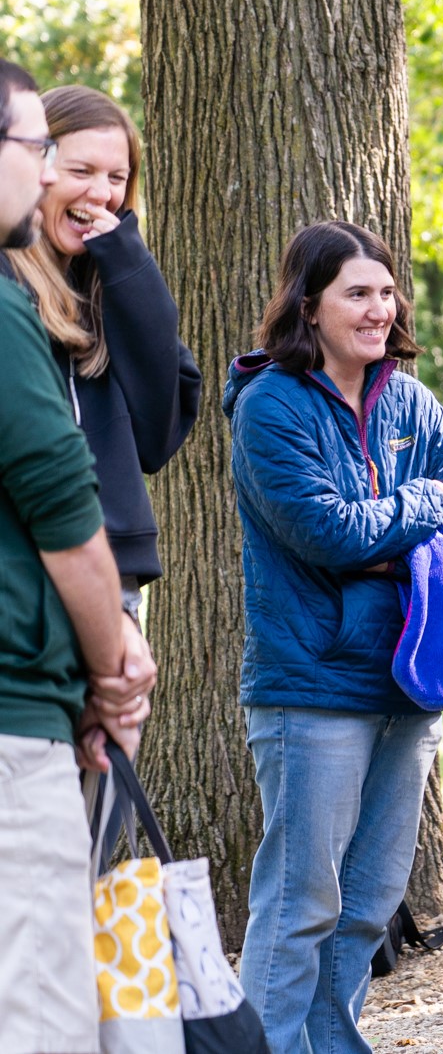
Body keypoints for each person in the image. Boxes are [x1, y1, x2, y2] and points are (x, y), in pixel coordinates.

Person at [225, 221, 443, 1054]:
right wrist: (422, 514)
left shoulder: (411, 401)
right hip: (310, 691)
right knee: (300, 904)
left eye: (385, 292)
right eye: (357, 293)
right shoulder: (271, 403)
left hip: (409, 686)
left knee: (369, 903)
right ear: (309, 305)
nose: (379, 309)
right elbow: (328, 533)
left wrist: (409, 534)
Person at [0, 58, 154, 1054]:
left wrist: (127, 258)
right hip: (27, 698)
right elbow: (62, 508)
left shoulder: (92, 287)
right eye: (45, 150)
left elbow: (163, 412)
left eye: (114, 179)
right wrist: (114, 671)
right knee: (41, 1008)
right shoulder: (11, 305)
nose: (81, 184)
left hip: (52, 678)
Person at [0, 84, 201, 673]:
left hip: (111, 579)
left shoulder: (114, 288)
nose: (101, 193)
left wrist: (127, 259)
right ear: (36, 167)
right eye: (81, 170)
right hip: (21, 571)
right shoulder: (7, 289)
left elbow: (158, 435)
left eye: (117, 178)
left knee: (106, 763)